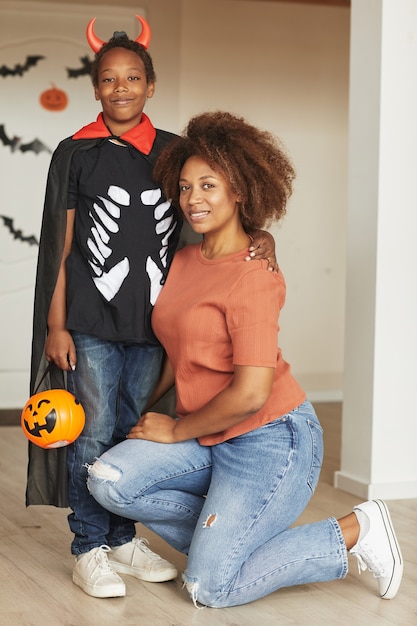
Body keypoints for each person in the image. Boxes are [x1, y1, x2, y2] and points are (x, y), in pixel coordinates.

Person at [87, 111, 403, 609]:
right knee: (110, 480)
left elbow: (252, 393)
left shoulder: (254, 275)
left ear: (240, 189)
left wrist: (172, 430)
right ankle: (230, 541)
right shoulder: (186, 259)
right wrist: (142, 412)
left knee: (209, 588)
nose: (193, 199)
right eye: (186, 187)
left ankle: (355, 531)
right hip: (206, 432)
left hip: (271, 440)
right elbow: (181, 347)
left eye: (209, 185)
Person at [26, 18, 278, 599]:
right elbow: (59, 248)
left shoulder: (173, 152)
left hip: (153, 323)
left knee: (133, 430)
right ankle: (88, 546)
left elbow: (213, 205)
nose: (120, 88)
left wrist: (261, 236)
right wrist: (56, 323)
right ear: (95, 88)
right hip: (89, 321)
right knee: (88, 434)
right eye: (108, 79)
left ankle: (120, 538)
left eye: (132, 77)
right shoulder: (76, 153)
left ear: (150, 85)